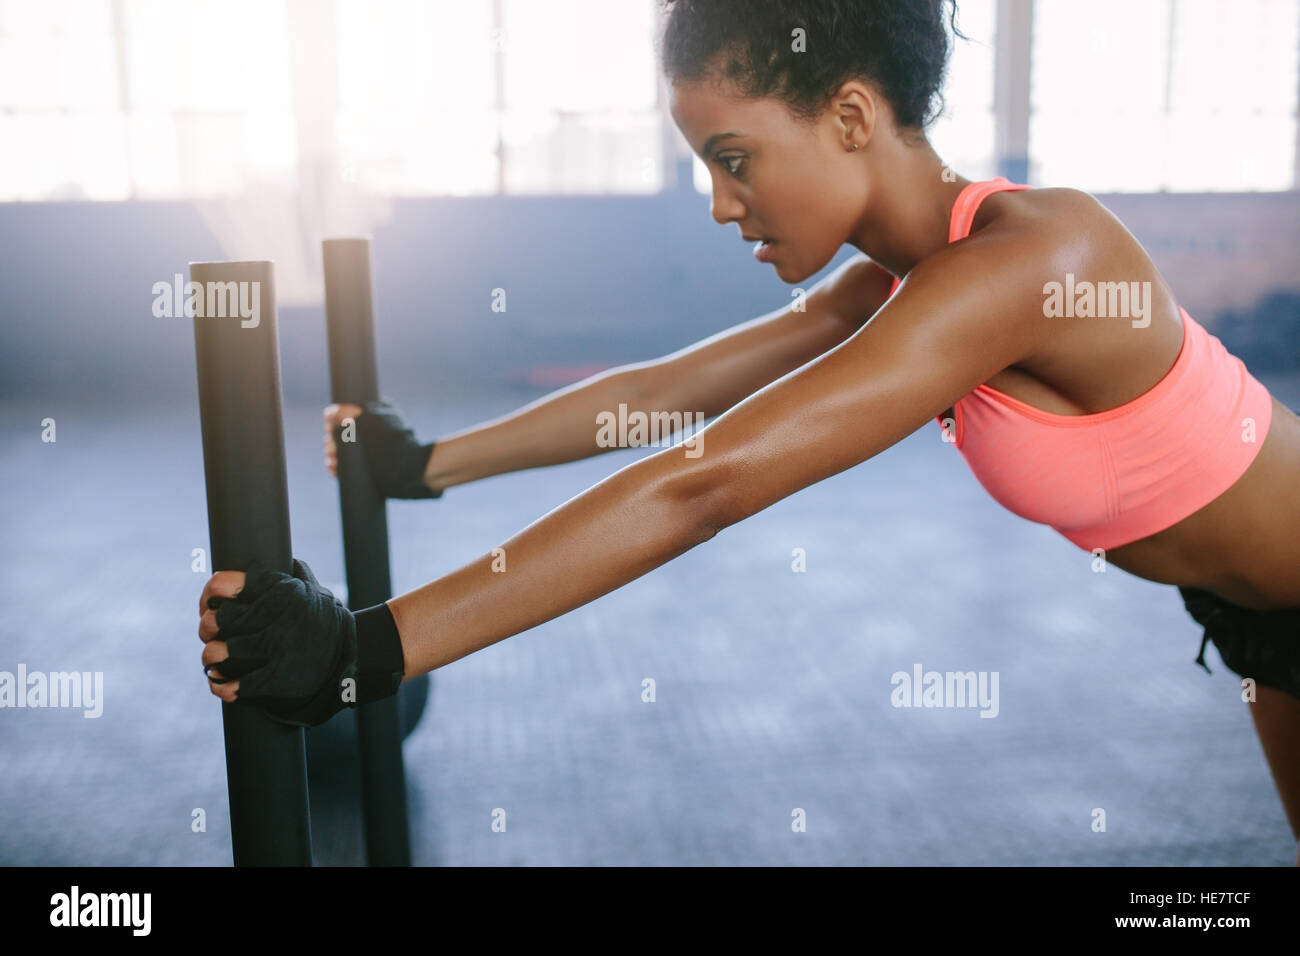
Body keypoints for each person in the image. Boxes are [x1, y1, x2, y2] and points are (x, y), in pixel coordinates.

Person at [197, 0, 1300, 861]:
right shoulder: (894, 281)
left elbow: (706, 481)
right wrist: (430, 463)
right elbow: (682, 389)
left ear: (853, 116)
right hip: (1261, 621)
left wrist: (367, 648)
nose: (722, 204)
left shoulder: (1028, 263)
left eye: (733, 158)